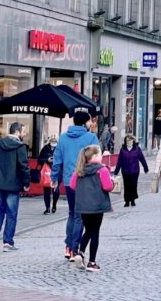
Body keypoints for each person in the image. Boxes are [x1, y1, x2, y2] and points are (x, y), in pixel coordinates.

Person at [52, 112, 99, 261]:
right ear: (85, 122)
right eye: (90, 121)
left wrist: (54, 178)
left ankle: (68, 247)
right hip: (85, 181)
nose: (91, 123)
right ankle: (74, 248)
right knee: (80, 216)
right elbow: (96, 160)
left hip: (68, 181)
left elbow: (57, 160)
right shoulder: (91, 137)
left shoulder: (63, 137)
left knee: (72, 214)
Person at [0, 122, 30, 252]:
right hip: (13, 185)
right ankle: (7, 243)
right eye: (23, 132)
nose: (24, 134)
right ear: (17, 132)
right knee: (11, 214)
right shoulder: (20, 146)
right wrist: (26, 183)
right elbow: (24, 166)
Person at [70, 145, 114, 272]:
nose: (102, 157)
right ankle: (92, 262)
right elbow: (107, 187)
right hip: (97, 205)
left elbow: (73, 186)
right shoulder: (102, 169)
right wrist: (113, 182)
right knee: (95, 232)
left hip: (83, 206)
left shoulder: (79, 170)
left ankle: (80, 252)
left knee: (88, 230)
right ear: (95, 156)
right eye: (100, 154)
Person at [113, 134, 149, 207]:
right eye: (127, 141)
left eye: (130, 140)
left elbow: (142, 159)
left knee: (133, 185)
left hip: (135, 171)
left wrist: (146, 168)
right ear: (125, 142)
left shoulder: (137, 149)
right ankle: (126, 201)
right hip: (125, 171)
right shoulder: (122, 150)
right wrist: (116, 171)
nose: (129, 142)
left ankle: (132, 200)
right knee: (126, 186)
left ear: (133, 141)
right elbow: (119, 161)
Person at [37, 135, 59, 215]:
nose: (54, 142)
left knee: (56, 191)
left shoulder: (59, 148)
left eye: (55, 140)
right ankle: (47, 208)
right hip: (46, 172)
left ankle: (54, 205)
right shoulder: (45, 148)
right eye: (53, 140)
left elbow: (63, 159)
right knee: (46, 191)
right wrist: (47, 160)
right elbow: (39, 160)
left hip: (56, 171)